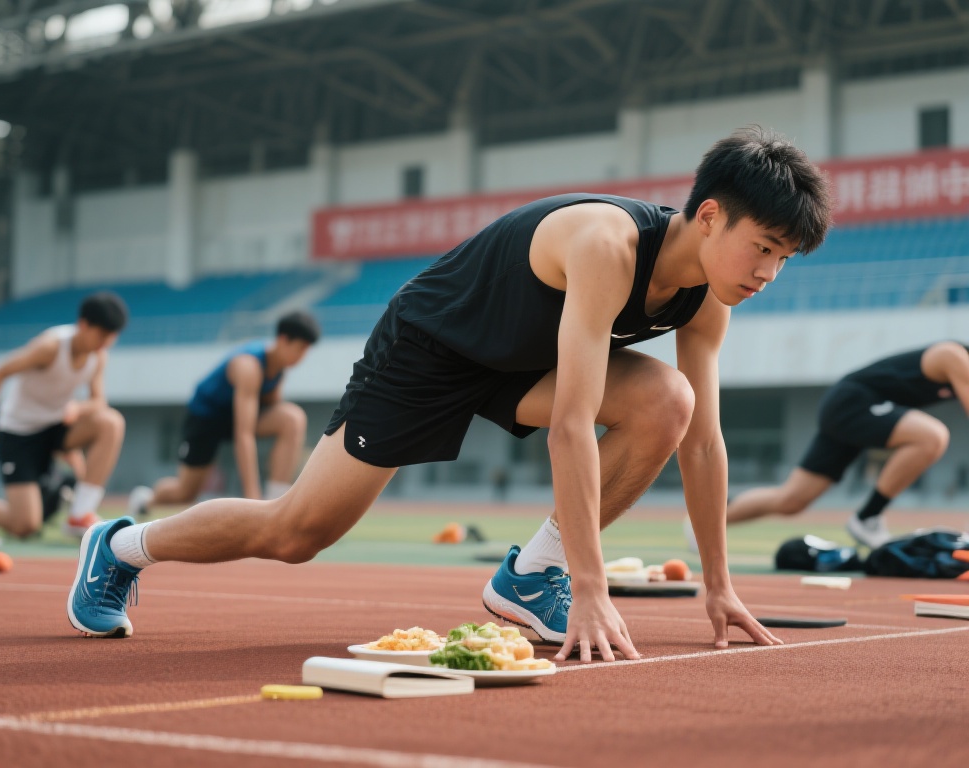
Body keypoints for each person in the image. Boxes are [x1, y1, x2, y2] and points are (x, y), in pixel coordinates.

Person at [68, 127, 830, 662]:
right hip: (431, 348)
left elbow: (703, 443)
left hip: (516, 364)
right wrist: (594, 589)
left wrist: (721, 585)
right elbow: (571, 426)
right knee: (297, 533)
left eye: (785, 258)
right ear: (708, 215)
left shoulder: (708, 301)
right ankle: (122, 545)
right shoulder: (608, 246)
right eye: (762, 247)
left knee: (669, 403)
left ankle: (530, 577)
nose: (768, 272)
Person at [724, 342, 969, 548]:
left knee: (792, 500)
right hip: (853, 401)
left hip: (859, 411)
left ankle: (709, 520)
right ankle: (868, 517)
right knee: (932, 437)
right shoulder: (954, 356)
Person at [0, 292, 128, 539]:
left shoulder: (98, 356)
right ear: (84, 325)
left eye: (112, 337)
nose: (106, 343)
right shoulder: (50, 348)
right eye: (103, 335)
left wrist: (77, 409)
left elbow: (97, 401)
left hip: (56, 426)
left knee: (111, 422)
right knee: (26, 525)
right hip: (20, 433)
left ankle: (79, 515)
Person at [127, 311, 321, 517]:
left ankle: (279, 505)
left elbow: (273, 412)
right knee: (185, 493)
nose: (302, 357)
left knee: (292, 418)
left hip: (234, 419)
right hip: (206, 419)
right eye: (300, 349)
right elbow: (243, 434)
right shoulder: (249, 366)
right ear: (283, 340)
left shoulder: (278, 371)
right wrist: (253, 500)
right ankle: (146, 499)